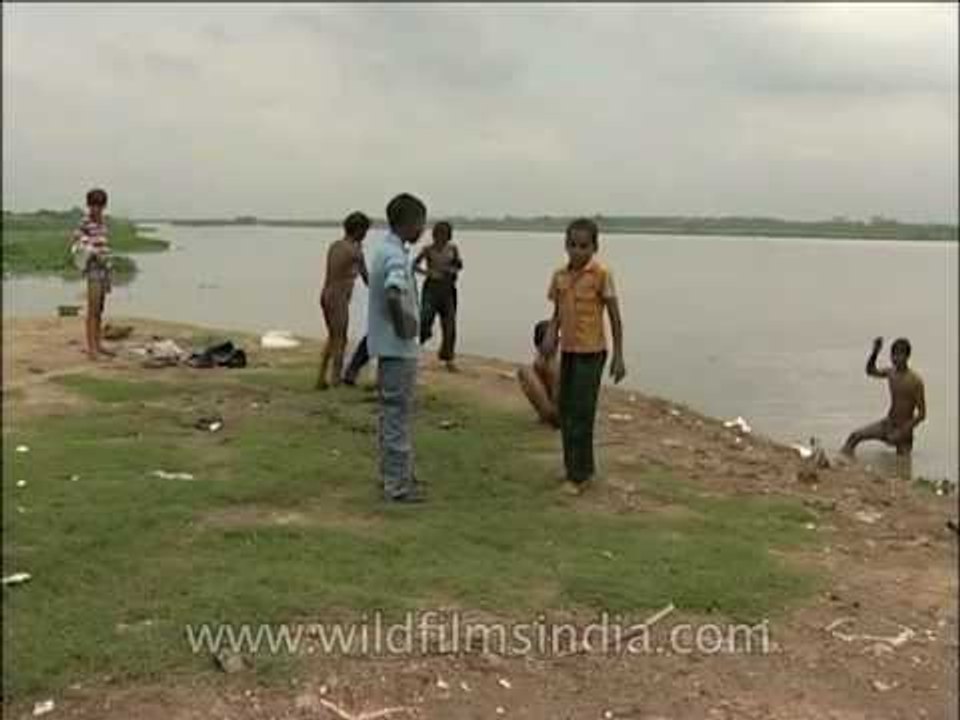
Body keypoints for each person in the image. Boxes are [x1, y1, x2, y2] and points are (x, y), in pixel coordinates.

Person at [541, 218, 626, 496]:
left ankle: (582, 474)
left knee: (582, 411)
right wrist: (551, 336)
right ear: (566, 245)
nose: (578, 251)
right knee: (565, 410)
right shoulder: (559, 276)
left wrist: (619, 356)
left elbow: (614, 315)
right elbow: (557, 314)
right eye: (573, 245)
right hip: (569, 351)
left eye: (584, 246)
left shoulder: (601, 275)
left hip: (592, 353)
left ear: (594, 247)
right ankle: (571, 468)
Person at [368, 193, 427, 503]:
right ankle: (398, 485)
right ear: (408, 223)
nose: (423, 228)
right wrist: (405, 323)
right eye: (421, 222)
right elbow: (394, 292)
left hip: (389, 348)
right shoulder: (394, 256)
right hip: (397, 349)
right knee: (397, 415)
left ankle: (394, 474)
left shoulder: (386, 249)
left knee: (391, 414)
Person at [841, 337, 926, 475]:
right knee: (854, 437)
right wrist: (875, 352)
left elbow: (922, 414)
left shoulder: (915, 381)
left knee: (903, 470)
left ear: (907, 356)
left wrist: (902, 431)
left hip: (904, 432)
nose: (896, 358)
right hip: (888, 424)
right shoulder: (891, 373)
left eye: (900, 355)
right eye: (894, 355)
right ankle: (843, 466)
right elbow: (870, 371)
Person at [316, 212, 370, 390]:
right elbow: (367, 278)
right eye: (365, 231)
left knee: (333, 338)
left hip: (326, 294)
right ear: (359, 230)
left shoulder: (336, 246)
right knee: (340, 339)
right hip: (338, 298)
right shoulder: (355, 252)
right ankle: (336, 380)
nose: (366, 234)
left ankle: (321, 378)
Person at [69, 188, 114, 360]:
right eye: (94, 205)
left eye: (100, 205)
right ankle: (92, 350)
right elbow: (75, 241)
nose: (96, 209)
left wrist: (108, 262)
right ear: (89, 205)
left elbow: (104, 244)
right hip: (93, 269)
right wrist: (91, 250)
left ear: (104, 206)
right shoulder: (85, 222)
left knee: (100, 309)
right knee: (93, 309)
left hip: (104, 269)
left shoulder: (103, 222)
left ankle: (98, 344)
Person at [414, 221, 463, 371]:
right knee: (425, 319)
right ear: (434, 235)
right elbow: (414, 265)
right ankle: (414, 351)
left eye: (445, 236)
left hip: (448, 288)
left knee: (449, 325)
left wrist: (453, 270)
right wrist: (428, 273)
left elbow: (459, 265)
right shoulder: (427, 249)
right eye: (439, 235)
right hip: (431, 289)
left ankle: (448, 358)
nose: (441, 239)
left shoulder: (452, 248)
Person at [517, 319, 561, 427]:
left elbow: (557, 390)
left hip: (560, 413)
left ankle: (549, 416)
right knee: (525, 371)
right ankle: (546, 414)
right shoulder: (543, 358)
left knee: (525, 372)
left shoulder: (555, 362)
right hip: (556, 408)